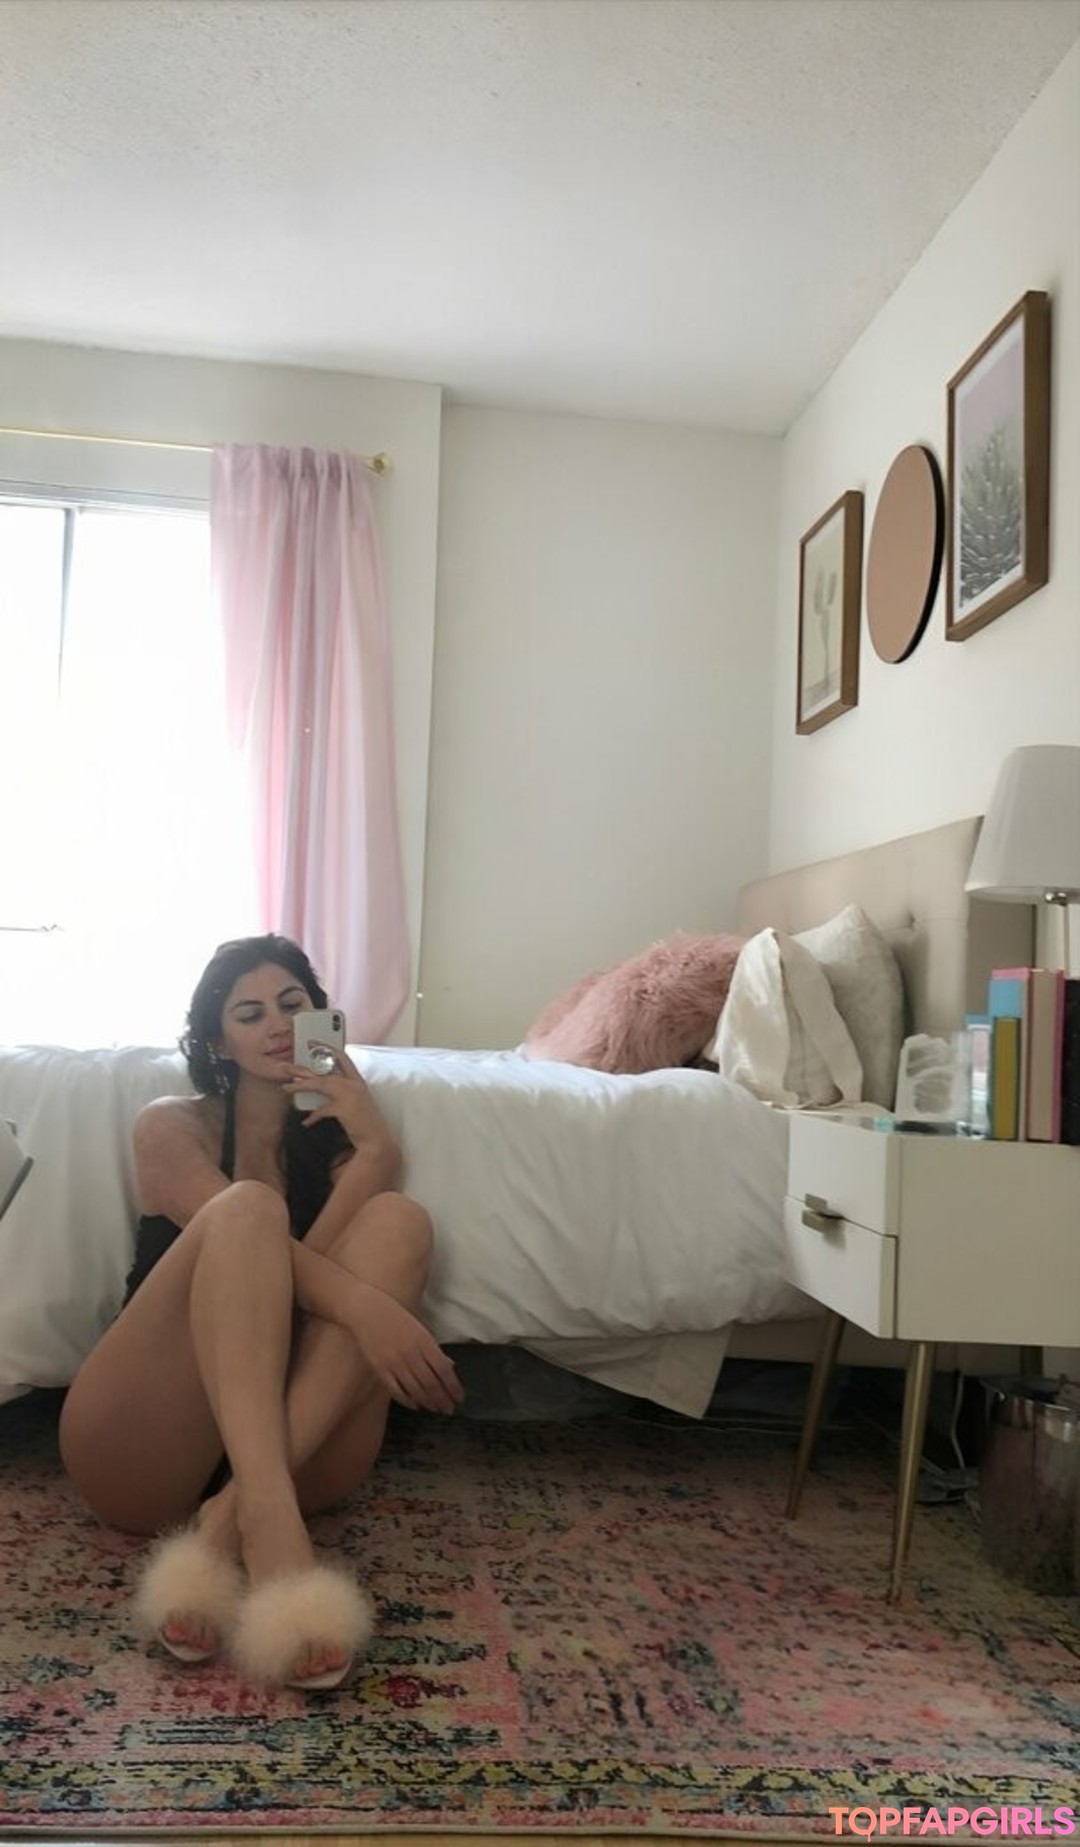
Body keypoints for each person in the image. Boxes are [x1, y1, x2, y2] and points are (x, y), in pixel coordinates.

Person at [59, 933, 463, 1692]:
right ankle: (274, 1528)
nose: (277, 1025)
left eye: (292, 1005)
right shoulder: (171, 1126)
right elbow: (278, 1264)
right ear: (218, 1041)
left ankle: (233, 1517)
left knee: (400, 1221)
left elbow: (308, 1299)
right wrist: (371, 1311)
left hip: (296, 1447)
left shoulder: (338, 1154)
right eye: (250, 1014)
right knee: (247, 1210)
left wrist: (375, 1148)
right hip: (144, 1445)